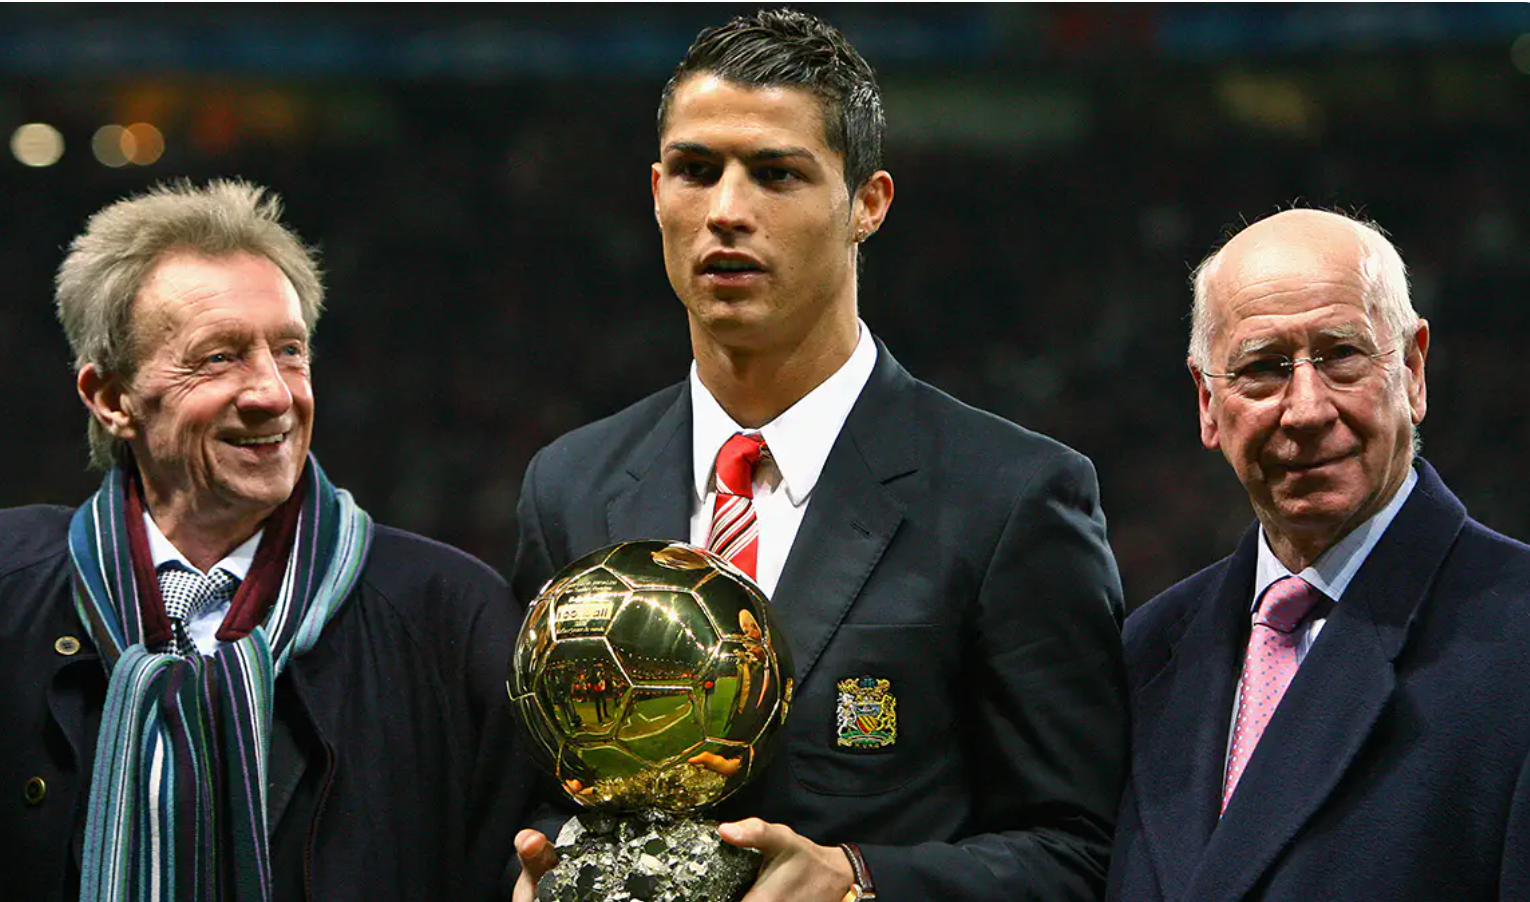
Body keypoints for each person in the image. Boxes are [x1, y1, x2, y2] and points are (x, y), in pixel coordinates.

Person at [511, 9, 1127, 902]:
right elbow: (539, 796)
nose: (727, 211)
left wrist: (859, 881)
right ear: (656, 191)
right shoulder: (569, 487)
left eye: (777, 174)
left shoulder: (1013, 498)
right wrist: (533, 874)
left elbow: (1083, 851)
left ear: (867, 204)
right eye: (696, 170)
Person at [0, 180, 527, 901]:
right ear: (110, 398)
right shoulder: (13, 594)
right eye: (219, 357)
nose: (274, 393)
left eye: (290, 351)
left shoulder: (449, 615)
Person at [1106, 209, 1530, 901]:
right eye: (1262, 369)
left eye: (1341, 356)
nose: (1305, 409)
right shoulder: (1143, 654)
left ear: (1413, 369)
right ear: (1208, 402)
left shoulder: (1518, 640)